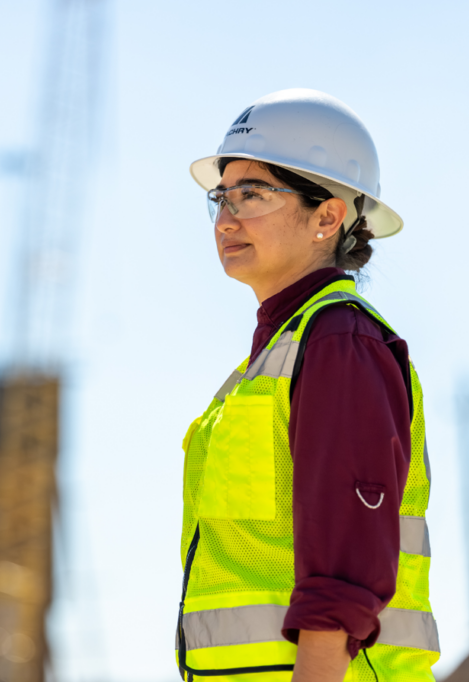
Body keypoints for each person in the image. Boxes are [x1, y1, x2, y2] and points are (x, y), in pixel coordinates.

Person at [175, 89, 439, 682]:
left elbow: (346, 544)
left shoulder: (339, 340)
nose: (226, 218)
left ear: (327, 217)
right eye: (221, 197)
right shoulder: (279, 354)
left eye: (254, 194)